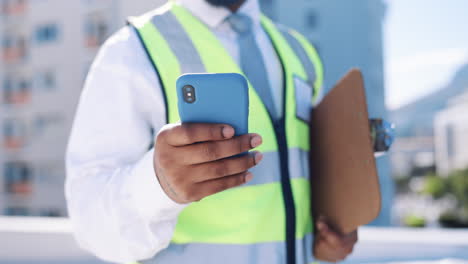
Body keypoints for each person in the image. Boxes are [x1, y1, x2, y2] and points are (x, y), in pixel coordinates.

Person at [66, 0, 358, 263]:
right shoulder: (129, 51)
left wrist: (331, 234)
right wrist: (157, 185)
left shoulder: (299, 50)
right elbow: (90, 223)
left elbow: (308, 174)